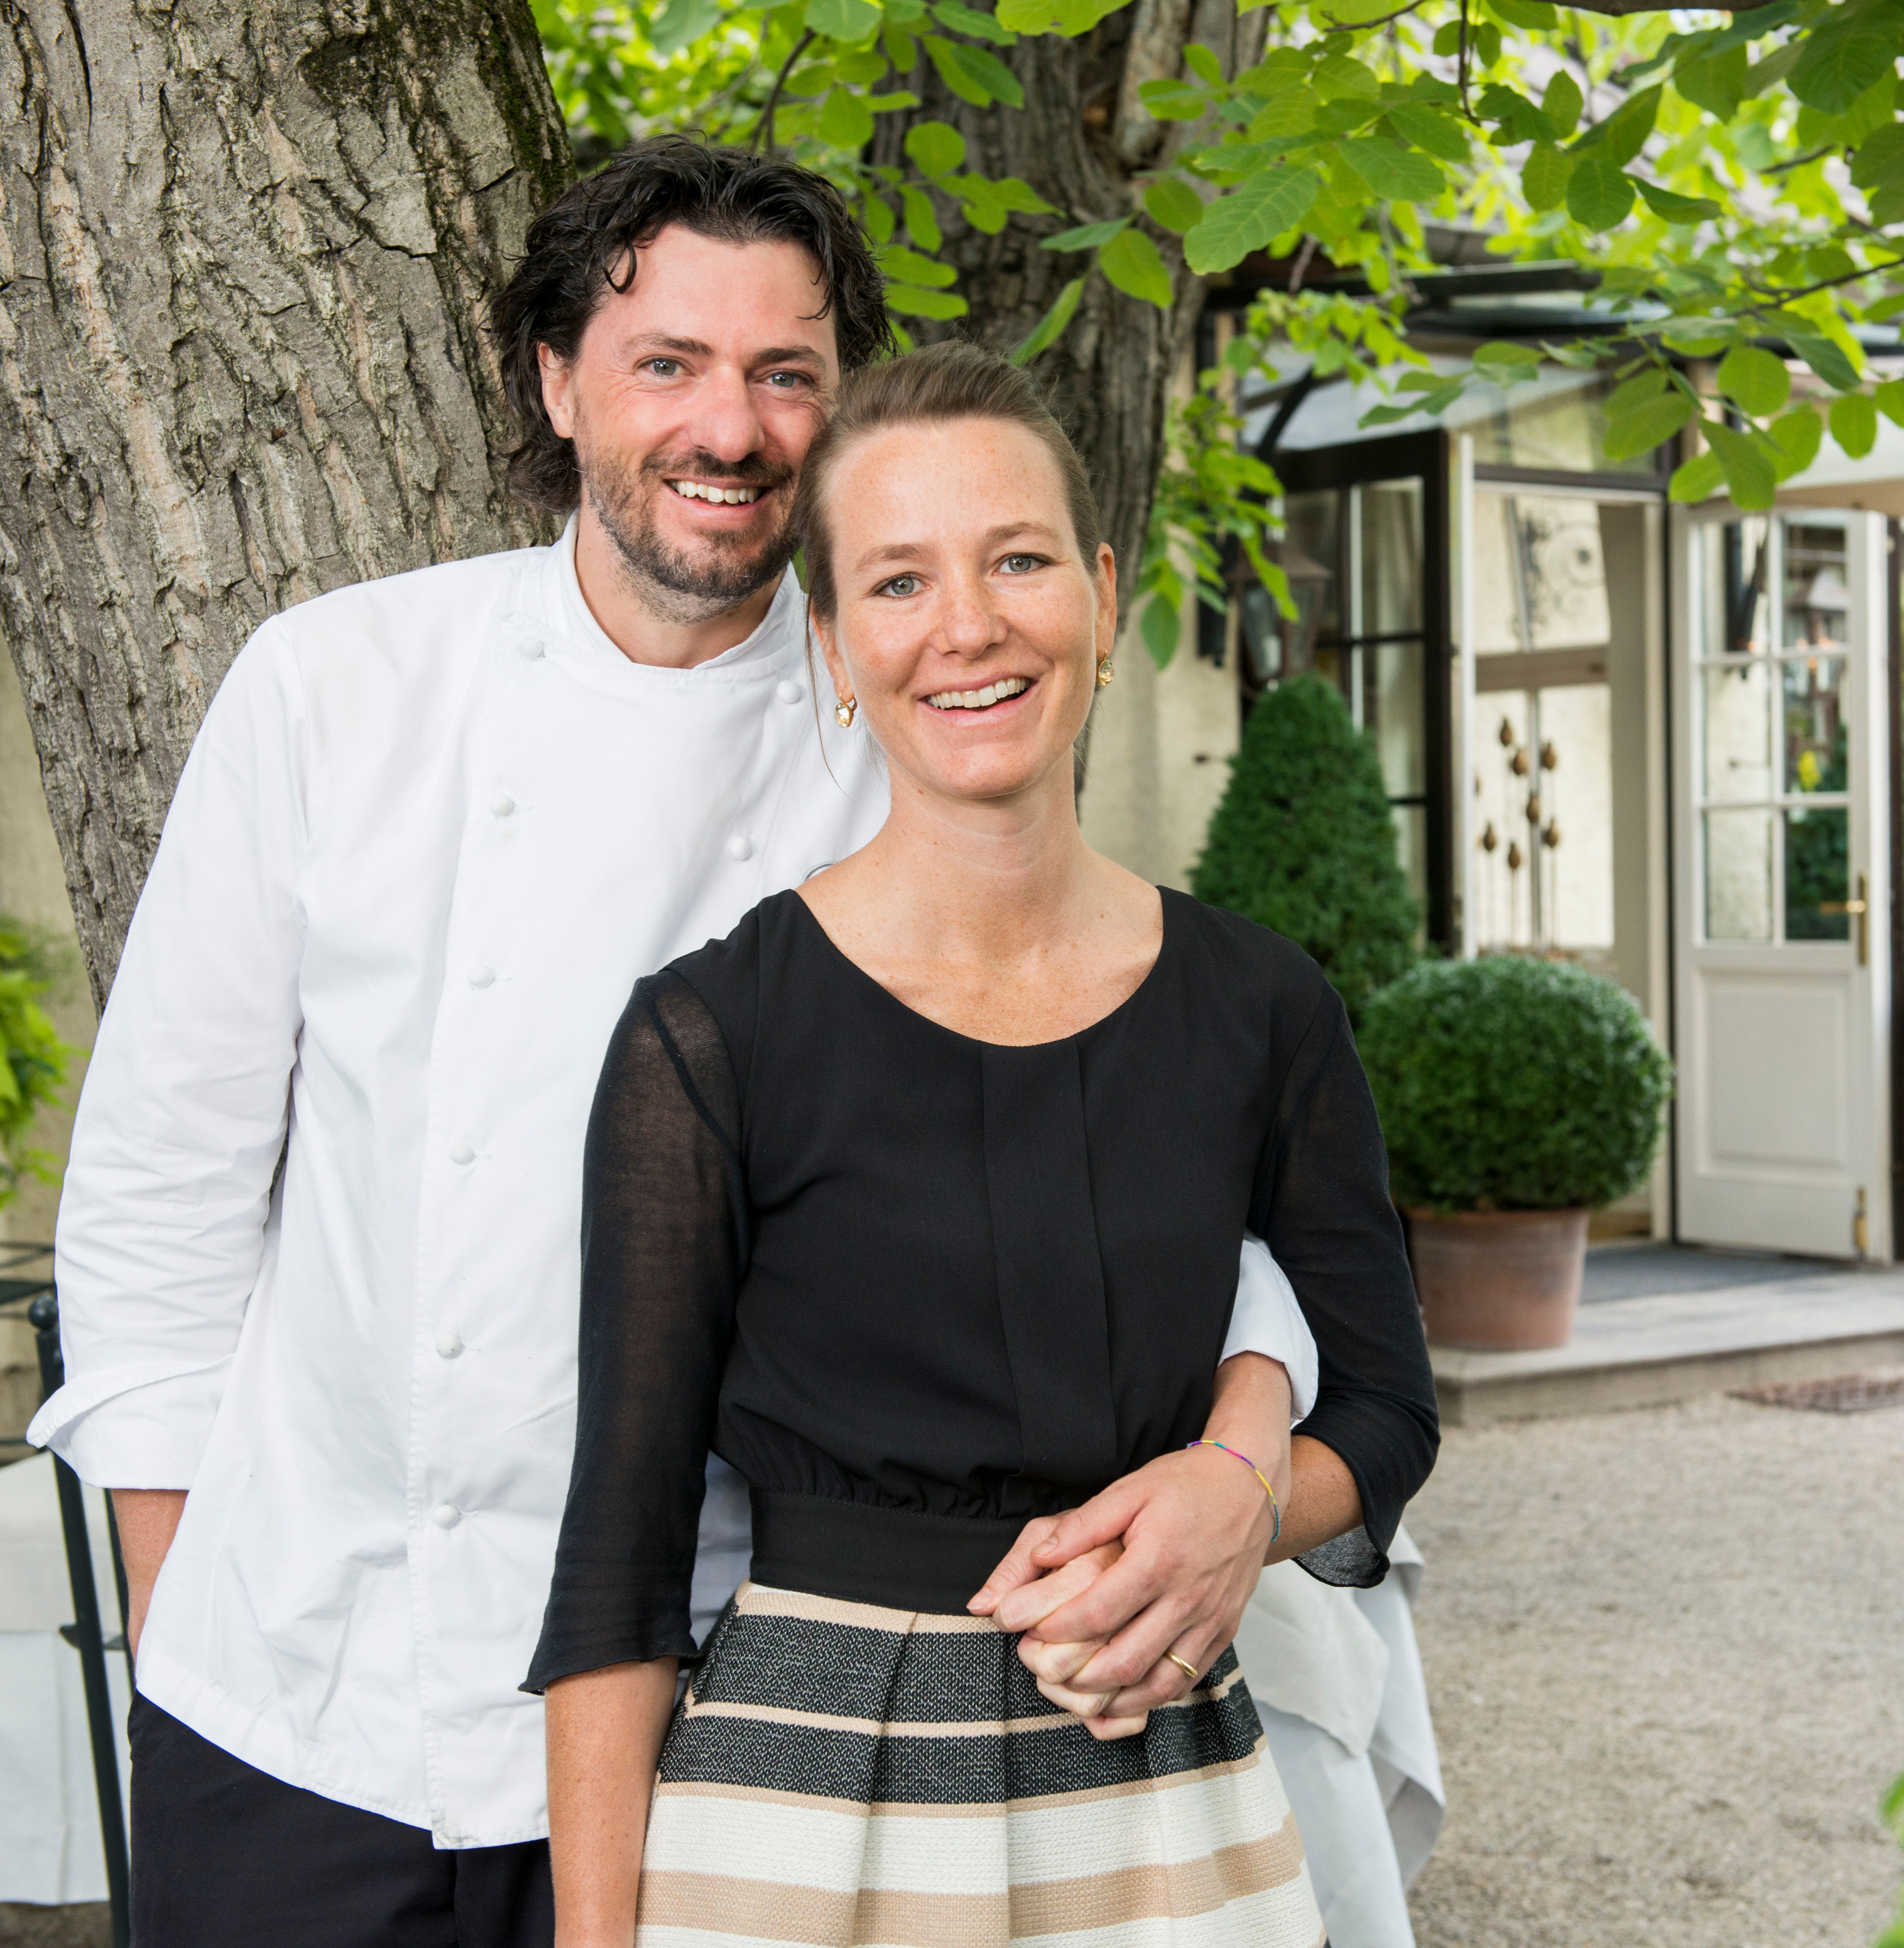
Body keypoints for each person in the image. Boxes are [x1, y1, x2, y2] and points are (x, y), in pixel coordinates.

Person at [27, 139, 1319, 1948]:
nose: (731, 428)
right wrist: (185, 1625)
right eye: (668, 364)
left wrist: (1246, 1452)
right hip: (307, 1694)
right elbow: (158, 1198)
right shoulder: (337, 688)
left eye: (787, 374)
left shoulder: (910, 722)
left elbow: (1135, 1155)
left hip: (730, 1709)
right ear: (556, 383)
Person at [531, 341, 1440, 1944]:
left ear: (1101, 592)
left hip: (1160, 1786)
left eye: (1017, 560)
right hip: (806, 1810)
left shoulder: (1263, 1008)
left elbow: (1387, 1411)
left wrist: (1242, 1494)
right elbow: (619, 1560)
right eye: (898, 581)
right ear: (831, 643)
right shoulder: (711, 1036)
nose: (967, 626)